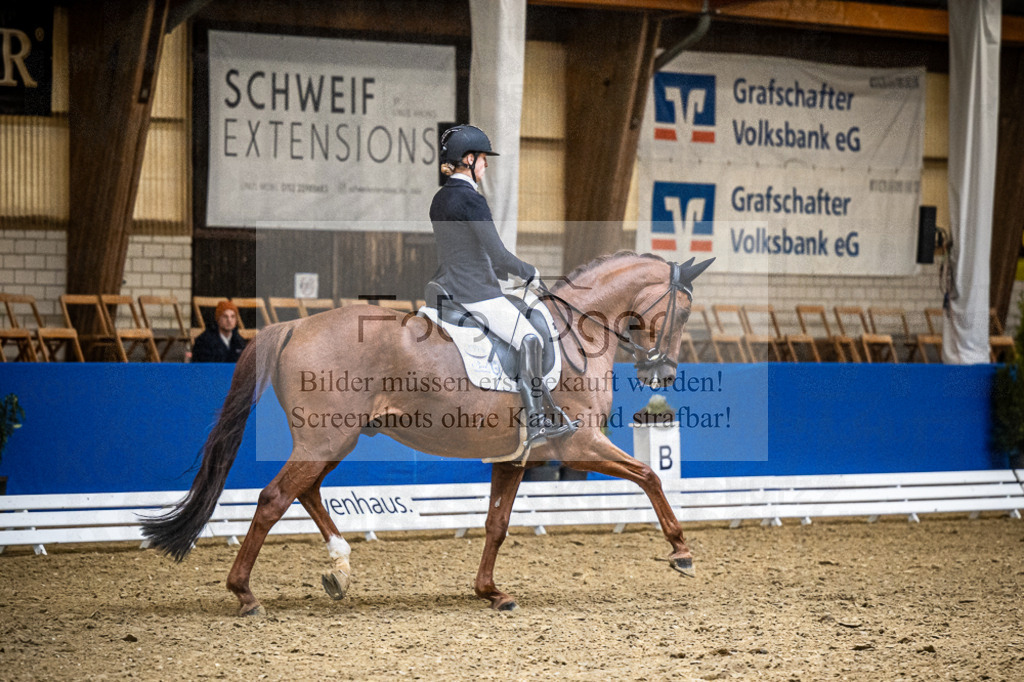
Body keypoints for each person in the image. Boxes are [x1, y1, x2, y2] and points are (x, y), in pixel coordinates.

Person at [429, 124, 573, 447]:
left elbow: (463, 249)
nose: (486, 164)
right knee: (530, 337)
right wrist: (529, 271)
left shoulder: (439, 199)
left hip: (447, 289)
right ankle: (536, 421)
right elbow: (497, 254)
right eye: (482, 158)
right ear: (467, 160)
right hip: (476, 293)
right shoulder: (471, 200)